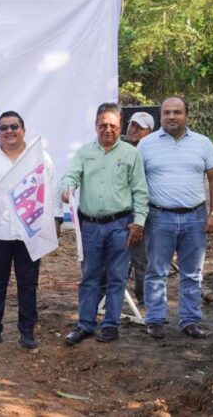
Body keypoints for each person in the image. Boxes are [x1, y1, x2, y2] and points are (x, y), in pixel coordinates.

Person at [0, 111, 60, 350]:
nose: (9, 131)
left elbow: (52, 188)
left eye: (14, 127)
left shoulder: (39, 157)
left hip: (30, 229)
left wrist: (55, 220)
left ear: (23, 131)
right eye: (4, 128)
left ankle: (27, 331)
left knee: (28, 282)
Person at [61, 102, 148, 345]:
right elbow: (71, 175)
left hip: (121, 225)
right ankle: (85, 324)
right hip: (90, 226)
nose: (107, 129)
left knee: (117, 276)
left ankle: (110, 324)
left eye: (112, 125)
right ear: (95, 126)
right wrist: (67, 187)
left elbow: (141, 191)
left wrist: (139, 222)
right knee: (89, 276)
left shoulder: (131, 154)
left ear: (120, 126)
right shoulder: (84, 152)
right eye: (102, 125)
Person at [140, 97, 213, 340]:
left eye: (177, 112)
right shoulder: (146, 144)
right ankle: (155, 319)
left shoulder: (203, 143)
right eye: (166, 112)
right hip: (158, 217)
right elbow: (135, 182)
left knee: (192, 272)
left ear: (187, 115)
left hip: (195, 217)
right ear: (160, 115)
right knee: (156, 271)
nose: (171, 116)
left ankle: (189, 320)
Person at [115, 110, 155, 304]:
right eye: (132, 125)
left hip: (141, 212)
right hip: (118, 212)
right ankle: (109, 296)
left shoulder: (152, 151)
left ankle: (143, 298)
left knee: (141, 258)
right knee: (114, 258)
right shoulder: (117, 147)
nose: (134, 130)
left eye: (140, 127)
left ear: (149, 131)